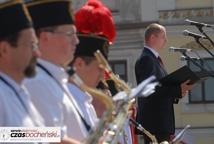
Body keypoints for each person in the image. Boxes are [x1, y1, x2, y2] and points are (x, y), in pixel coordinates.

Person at [23, 0, 86, 143]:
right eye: (70, 34)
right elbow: (12, 134)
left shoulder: (53, 77)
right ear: (45, 37)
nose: (76, 41)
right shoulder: (36, 80)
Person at [135, 23, 194, 143]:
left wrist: (179, 92)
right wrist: (177, 89)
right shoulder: (147, 59)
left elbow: (161, 88)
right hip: (155, 122)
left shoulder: (154, 59)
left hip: (160, 122)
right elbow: (149, 90)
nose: (166, 40)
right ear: (152, 38)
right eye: (163, 37)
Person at [67, 0, 116, 131]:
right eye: (100, 68)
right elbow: (11, 134)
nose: (102, 76)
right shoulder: (60, 95)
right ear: (79, 64)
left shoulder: (86, 101)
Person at [0, 0, 42, 126]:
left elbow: (31, 134)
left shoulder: (17, 89)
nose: (37, 54)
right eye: (32, 46)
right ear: (4, 50)